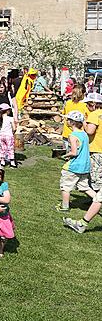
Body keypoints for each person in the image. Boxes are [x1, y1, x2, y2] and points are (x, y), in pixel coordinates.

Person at [63, 92, 102, 232]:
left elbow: (91, 131)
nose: (86, 106)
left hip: (98, 150)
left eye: (88, 104)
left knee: (97, 184)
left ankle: (88, 214)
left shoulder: (94, 114)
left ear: (93, 104)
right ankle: (83, 222)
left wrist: (84, 123)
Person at [56, 110, 95, 213]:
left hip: (74, 166)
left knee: (66, 186)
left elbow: (74, 152)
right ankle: (97, 201)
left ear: (72, 122)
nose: (67, 121)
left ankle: (64, 206)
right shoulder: (84, 134)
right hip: (85, 166)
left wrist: (64, 156)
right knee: (84, 187)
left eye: (68, 119)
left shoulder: (73, 135)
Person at [0, 79, 17, 160]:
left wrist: (15, 117)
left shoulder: (10, 94)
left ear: (5, 87)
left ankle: (8, 157)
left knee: (9, 138)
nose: (0, 89)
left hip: (9, 119)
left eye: (1, 87)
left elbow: (15, 106)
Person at [62, 85, 89, 151]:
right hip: (79, 133)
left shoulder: (68, 103)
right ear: (82, 94)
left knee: (68, 153)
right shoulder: (85, 106)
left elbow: (64, 114)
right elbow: (88, 118)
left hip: (67, 131)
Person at [0, 103, 17, 168]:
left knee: (3, 148)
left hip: (2, 135)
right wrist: (13, 132)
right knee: (10, 148)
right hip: (9, 135)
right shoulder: (10, 118)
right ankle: (12, 162)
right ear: (7, 110)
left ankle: (2, 161)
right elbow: (14, 128)